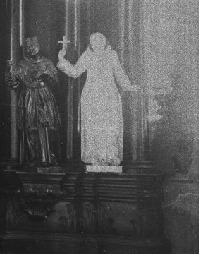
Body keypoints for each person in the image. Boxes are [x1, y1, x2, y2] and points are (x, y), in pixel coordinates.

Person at [57, 32, 139, 167]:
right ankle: (95, 156)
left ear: (105, 42)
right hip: (92, 96)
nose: (98, 43)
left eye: (100, 40)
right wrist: (62, 59)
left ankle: (110, 156)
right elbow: (75, 72)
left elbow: (119, 73)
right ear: (91, 44)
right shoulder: (87, 55)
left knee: (110, 126)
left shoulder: (112, 55)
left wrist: (128, 86)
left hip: (109, 95)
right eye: (94, 41)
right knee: (94, 126)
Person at [7, 36, 60, 166]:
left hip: (44, 96)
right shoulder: (22, 64)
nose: (30, 48)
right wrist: (9, 71)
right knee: (30, 127)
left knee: (48, 126)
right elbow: (13, 84)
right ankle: (34, 156)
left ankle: (48, 156)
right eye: (28, 46)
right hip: (29, 96)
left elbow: (55, 81)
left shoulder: (47, 63)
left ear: (39, 45)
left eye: (33, 45)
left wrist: (48, 76)